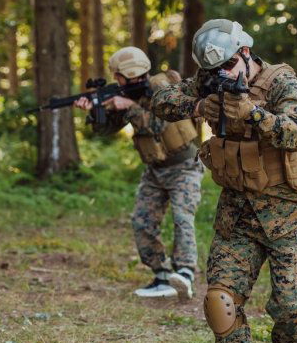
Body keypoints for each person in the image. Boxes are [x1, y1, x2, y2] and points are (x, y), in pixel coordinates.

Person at [152, 19, 297, 343]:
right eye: (213, 71)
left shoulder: (284, 84)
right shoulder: (208, 81)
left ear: (246, 53)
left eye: (230, 65)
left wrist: (254, 113)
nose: (222, 75)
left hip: (289, 215)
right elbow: (161, 102)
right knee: (220, 302)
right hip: (238, 216)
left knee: (294, 310)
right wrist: (198, 106)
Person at [74, 47, 203, 299]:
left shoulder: (161, 87)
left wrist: (129, 106)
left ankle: (185, 273)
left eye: (128, 76)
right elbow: (105, 131)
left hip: (185, 166)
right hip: (155, 170)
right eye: (122, 77)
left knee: (182, 218)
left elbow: (158, 123)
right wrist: (96, 109)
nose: (125, 80)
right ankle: (162, 276)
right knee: (142, 222)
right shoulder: (123, 94)